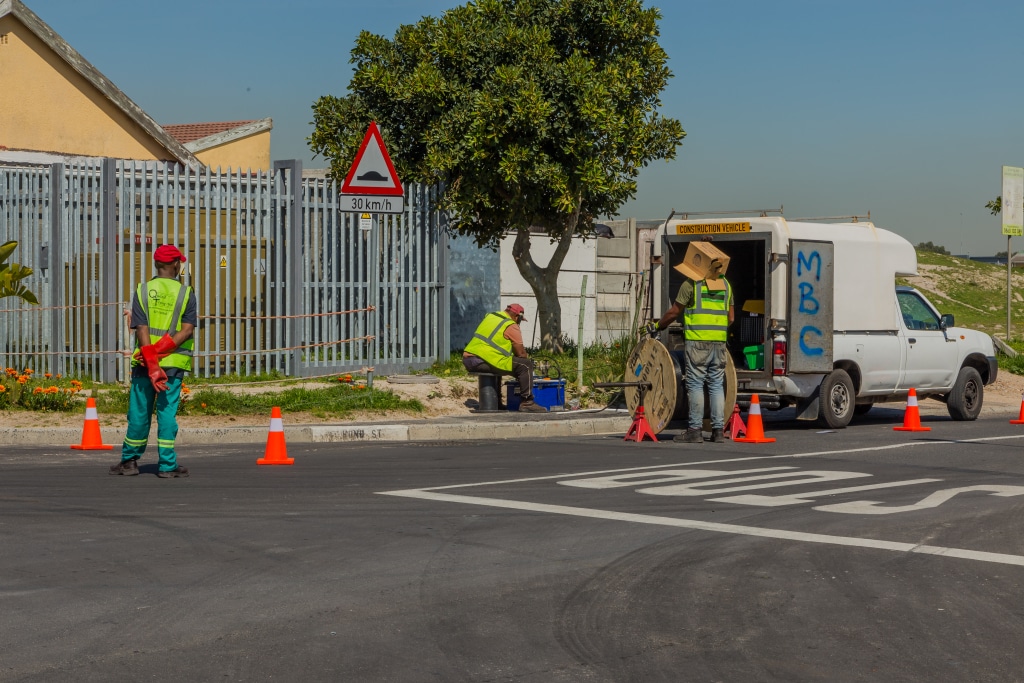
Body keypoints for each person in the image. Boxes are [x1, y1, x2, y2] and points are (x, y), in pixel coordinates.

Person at [109, 245, 197, 477]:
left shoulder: (142, 290)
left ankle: (129, 462)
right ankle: (167, 466)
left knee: (139, 412)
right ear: (175, 265)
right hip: (174, 363)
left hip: (144, 364)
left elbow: (141, 329)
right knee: (167, 413)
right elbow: (186, 331)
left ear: (157, 265)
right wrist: (160, 356)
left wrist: (151, 359)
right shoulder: (186, 293)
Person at [646, 274, 734, 444]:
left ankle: (694, 430)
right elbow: (730, 318)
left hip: (698, 341)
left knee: (696, 384)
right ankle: (718, 431)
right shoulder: (726, 283)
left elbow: (674, 312)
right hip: (720, 342)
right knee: (716, 384)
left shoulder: (692, 283)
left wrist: (658, 326)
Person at [463, 303, 547, 413]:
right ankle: (527, 402)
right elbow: (521, 353)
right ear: (518, 317)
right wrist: (526, 360)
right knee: (525, 365)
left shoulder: (491, 317)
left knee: (500, 364)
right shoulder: (511, 325)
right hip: (483, 360)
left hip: (469, 358)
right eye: (520, 320)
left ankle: (496, 403)